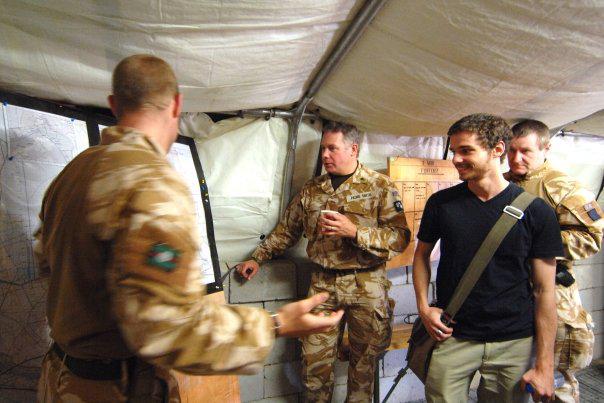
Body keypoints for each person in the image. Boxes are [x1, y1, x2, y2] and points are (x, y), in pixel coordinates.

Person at [34, 54, 343, 402]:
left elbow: (47, 264)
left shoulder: (71, 174)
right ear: (177, 104)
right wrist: (275, 324)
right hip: (115, 390)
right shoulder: (152, 184)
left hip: (61, 380)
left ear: (114, 104)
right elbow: (166, 331)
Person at [237, 121, 410, 402]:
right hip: (323, 284)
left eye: (332, 148)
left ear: (353, 149)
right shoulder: (312, 190)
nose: (325, 156)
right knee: (313, 366)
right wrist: (258, 258)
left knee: (363, 369)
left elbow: (400, 238)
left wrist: (355, 232)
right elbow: (287, 230)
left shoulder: (379, 186)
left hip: (367, 284)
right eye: (322, 149)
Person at [412, 113, 564, 403]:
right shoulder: (442, 203)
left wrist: (544, 365)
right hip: (452, 334)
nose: (456, 159)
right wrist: (423, 307)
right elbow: (421, 256)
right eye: (453, 150)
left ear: (497, 150)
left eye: (466, 150)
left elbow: (545, 291)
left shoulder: (537, 212)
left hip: (513, 342)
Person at [505, 119, 603, 403]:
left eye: (525, 151)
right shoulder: (502, 183)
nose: (516, 158)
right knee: (515, 377)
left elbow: (592, 237)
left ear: (545, 148)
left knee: (555, 381)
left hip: (553, 294)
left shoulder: (560, 186)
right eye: (510, 151)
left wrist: (534, 243)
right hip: (511, 292)